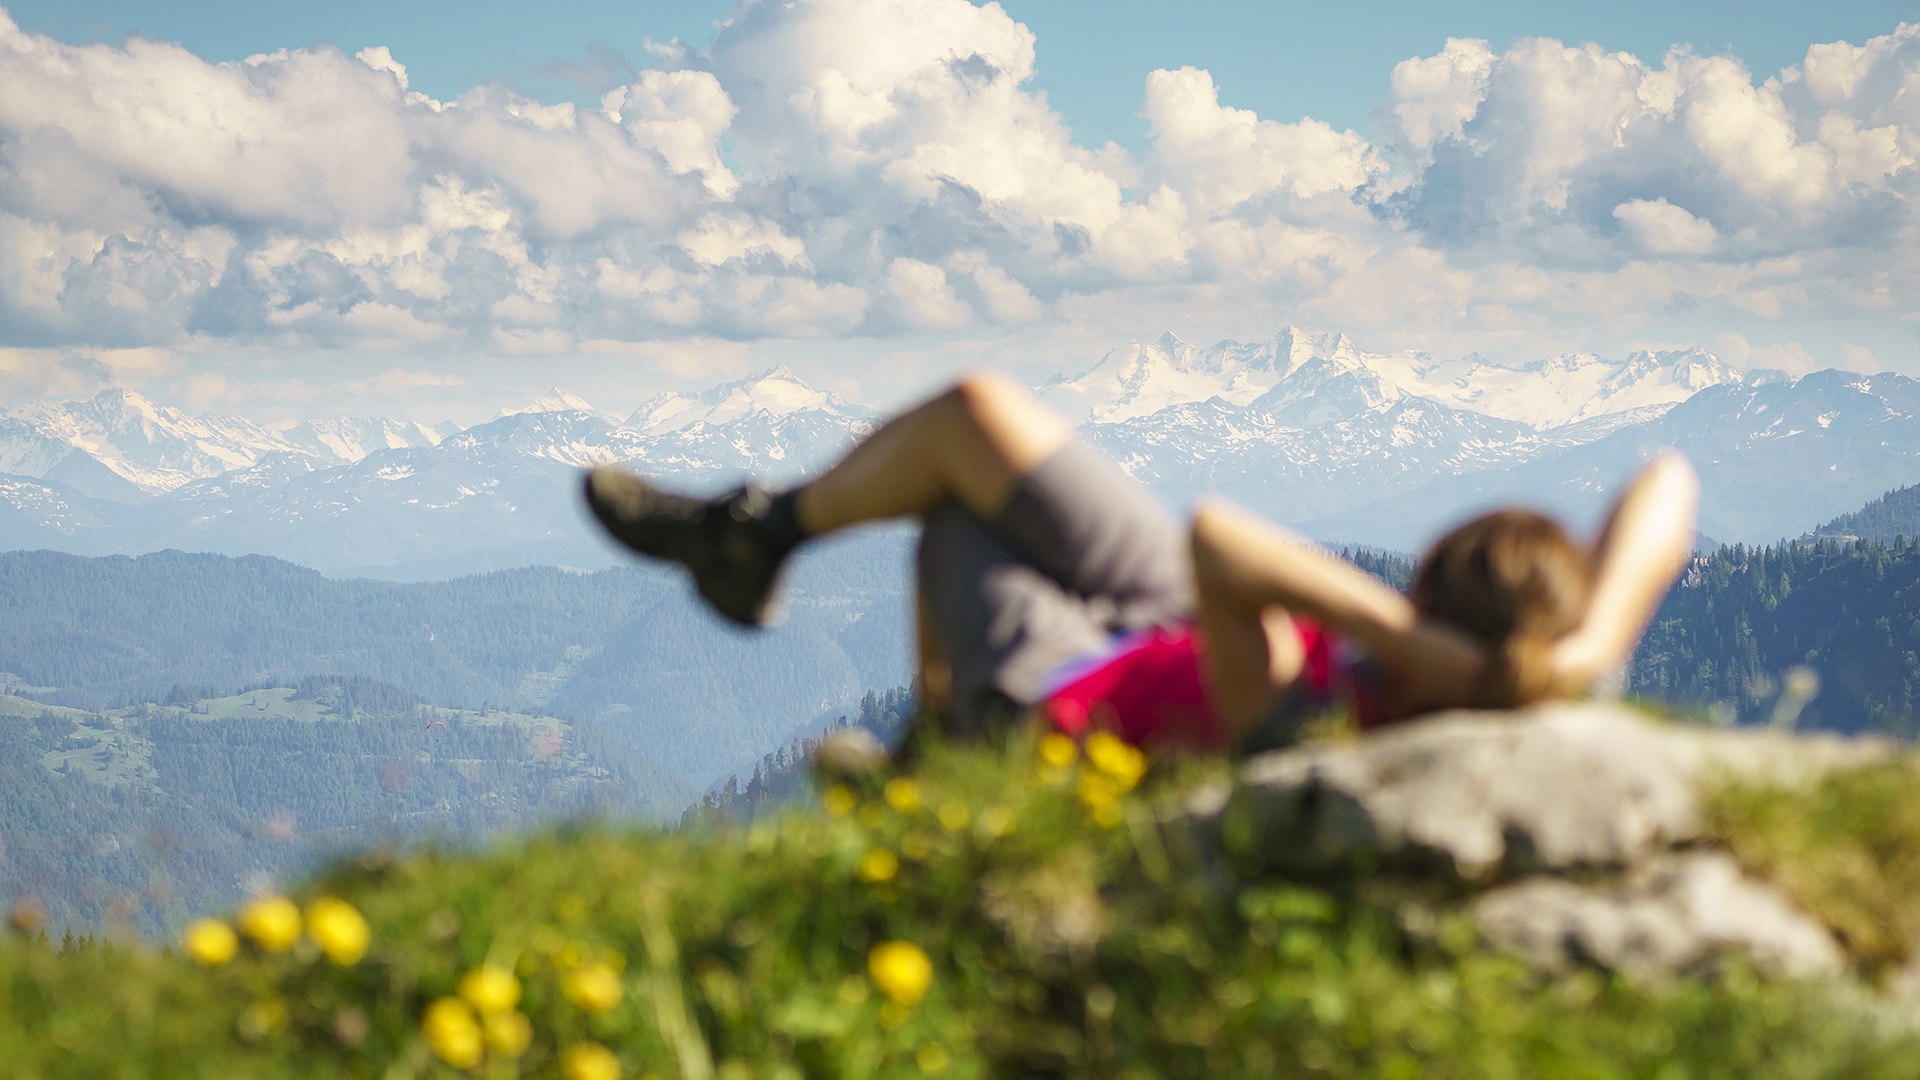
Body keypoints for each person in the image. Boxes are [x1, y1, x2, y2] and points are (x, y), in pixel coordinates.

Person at [583, 372, 1699, 753]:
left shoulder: (1310, 726)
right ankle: (755, 535)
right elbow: (1667, 482)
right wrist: (1591, 646)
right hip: (1173, 619)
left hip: (1070, 684)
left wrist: (1405, 644)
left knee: (957, 517)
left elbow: (1221, 537)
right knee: (978, 415)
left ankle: (938, 761)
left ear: (1419, 609)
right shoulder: (1537, 677)